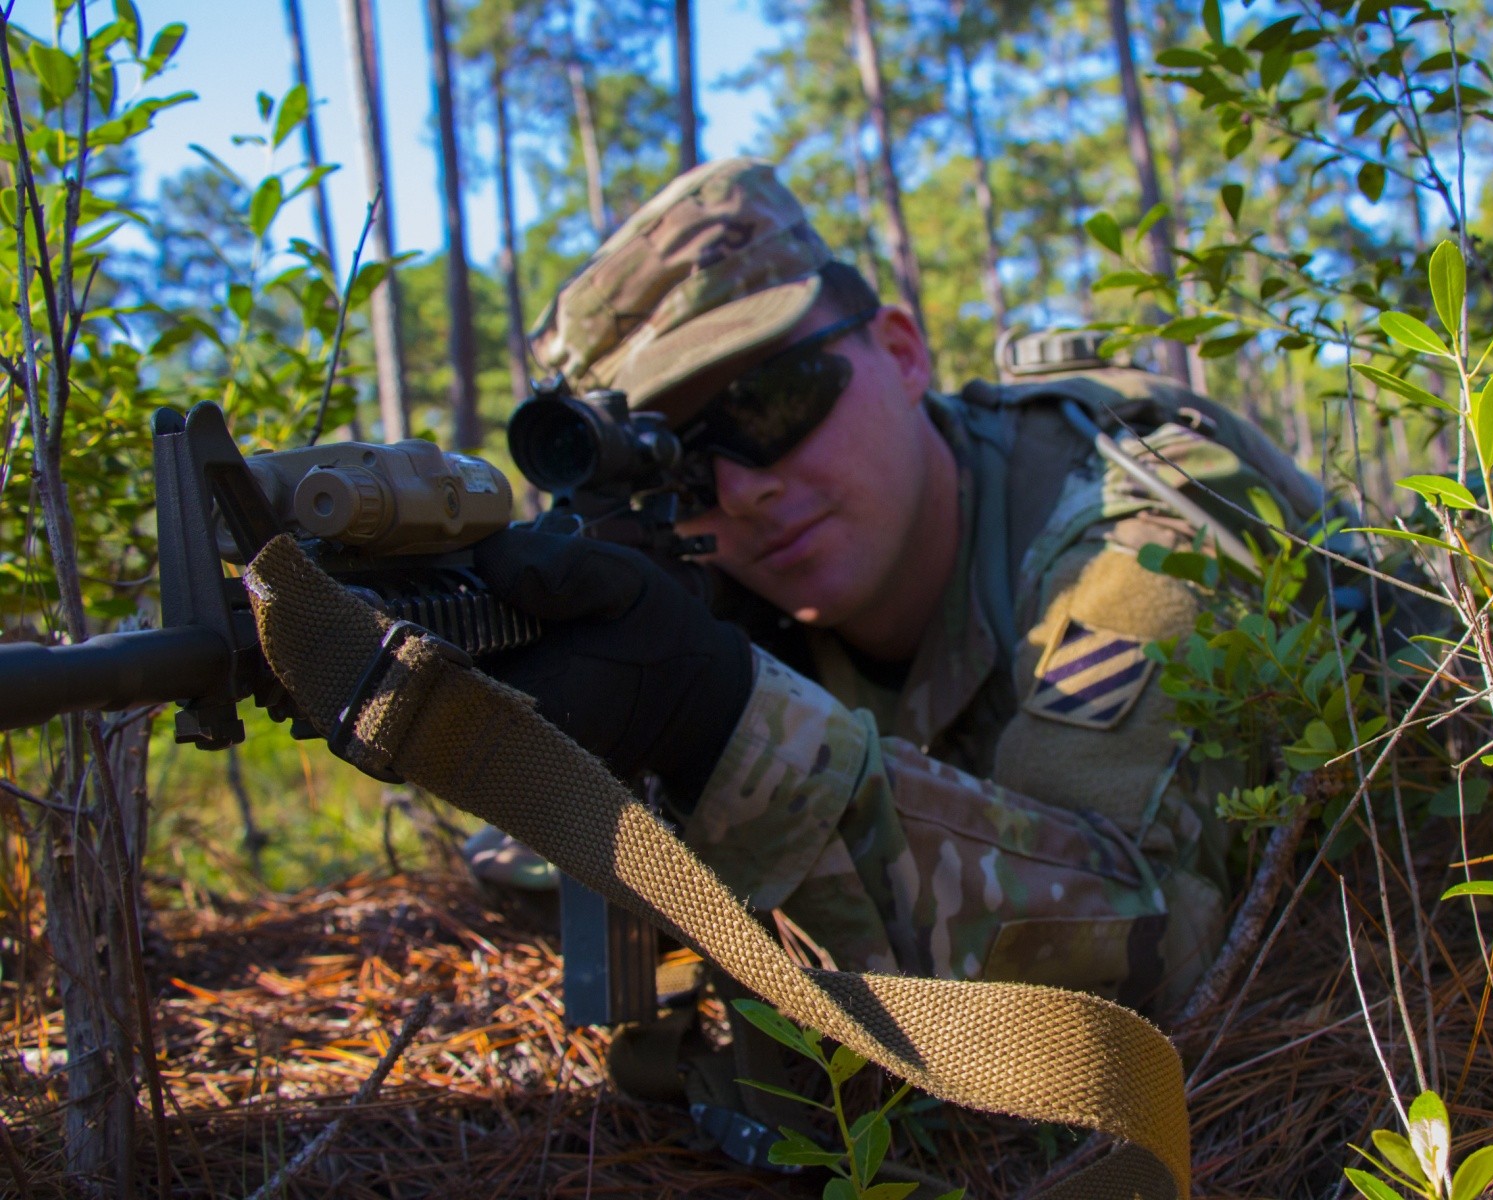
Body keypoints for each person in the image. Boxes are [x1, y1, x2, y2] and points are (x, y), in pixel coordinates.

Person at [468, 155, 1343, 1022]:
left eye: (770, 407)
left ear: (902, 352)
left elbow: (1155, 947)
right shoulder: (729, 596)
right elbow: (516, 874)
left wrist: (723, 729)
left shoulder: (1130, 539)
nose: (742, 491)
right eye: (680, 469)